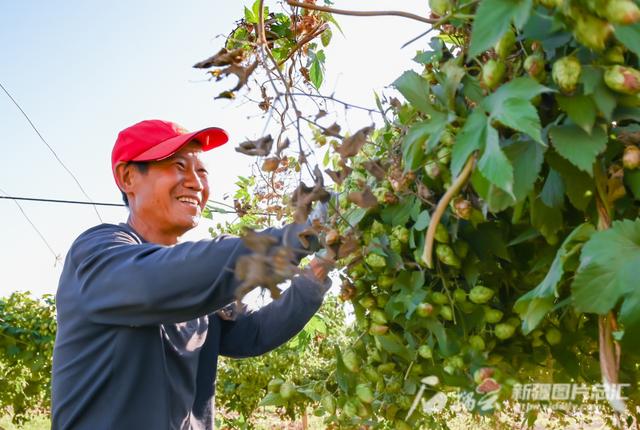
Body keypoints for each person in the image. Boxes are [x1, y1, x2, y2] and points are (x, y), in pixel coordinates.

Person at [51, 119, 332, 430]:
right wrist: (299, 237)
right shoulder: (98, 253)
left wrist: (317, 271)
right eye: (178, 166)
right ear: (128, 176)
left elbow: (251, 334)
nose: (196, 183)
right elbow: (157, 280)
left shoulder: (197, 283)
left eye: (202, 172)